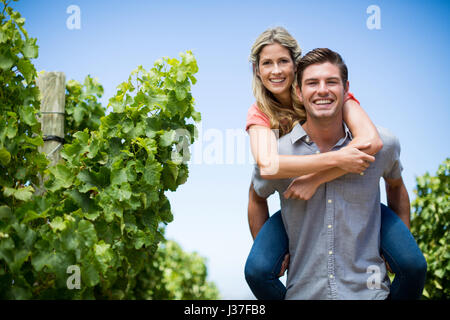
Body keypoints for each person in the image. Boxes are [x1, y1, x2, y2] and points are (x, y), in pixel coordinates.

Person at [244, 27, 427, 299]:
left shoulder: (328, 89)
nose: (276, 71)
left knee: (413, 265)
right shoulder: (260, 111)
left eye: (283, 61)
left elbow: (372, 142)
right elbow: (268, 166)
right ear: (257, 70)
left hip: (355, 199)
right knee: (258, 270)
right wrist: (338, 159)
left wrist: (317, 177)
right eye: (267, 63)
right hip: (298, 203)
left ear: (295, 65)